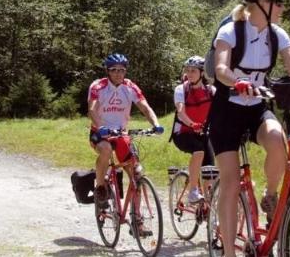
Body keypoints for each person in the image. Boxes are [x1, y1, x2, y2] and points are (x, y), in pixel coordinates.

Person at [209, 0, 290, 257]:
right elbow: (221, 69)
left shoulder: (277, 35)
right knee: (229, 182)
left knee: (277, 139)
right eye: (276, 2)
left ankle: (270, 196)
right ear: (259, 4)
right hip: (227, 109)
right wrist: (235, 81)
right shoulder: (231, 31)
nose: (281, 8)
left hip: (255, 106)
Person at [88, 53, 163, 213]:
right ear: (108, 71)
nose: (118, 73)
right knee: (106, 150)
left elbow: (145, 107)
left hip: (121, 133)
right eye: (114, 70)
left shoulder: (130, 87)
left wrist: (156, 124)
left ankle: (138, 218)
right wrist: (100, 126)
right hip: (100, 132)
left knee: (135, 174)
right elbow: (92, 110)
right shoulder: (98, 86)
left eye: (121, 70)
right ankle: (100, 187)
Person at [171, 55, 215, 204]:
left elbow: (220, 110)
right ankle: (193, 192)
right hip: (182, 133)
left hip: (201, 132)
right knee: (198, 151)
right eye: (188, 70)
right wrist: (192, 124)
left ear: (202, 73)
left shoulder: (210, 91)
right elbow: (181, 112)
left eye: (193, 71)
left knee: (210, 169)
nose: (189, 74)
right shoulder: (181, 89)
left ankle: (207, 206)